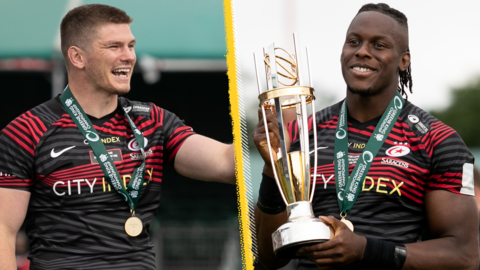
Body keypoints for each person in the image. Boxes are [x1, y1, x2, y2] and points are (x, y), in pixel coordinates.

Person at [0, 4, 235, 270]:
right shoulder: (26, 131)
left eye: (131, 45)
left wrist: (269, 140)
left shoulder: (152, 121)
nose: (129, 56)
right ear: (77, 57)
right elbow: (3, 231)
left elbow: (226, 162)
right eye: (114, 47)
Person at [253, 3, 479, 270]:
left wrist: (366, 250)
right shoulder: (301, 135)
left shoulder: (438, 141)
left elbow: (464, 256)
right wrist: (272, 168)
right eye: (354, 41)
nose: (362, 52)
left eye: (379, 45)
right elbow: (269, 257)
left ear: (403, 60)